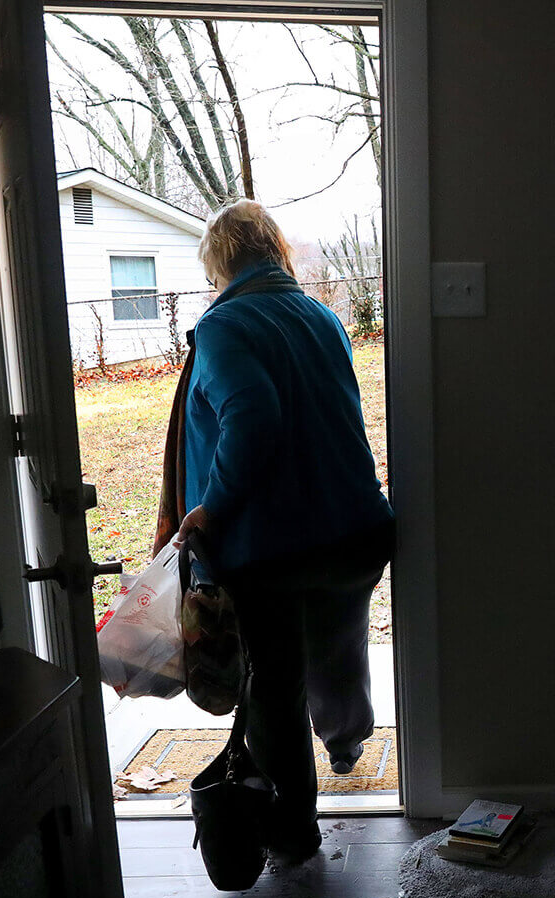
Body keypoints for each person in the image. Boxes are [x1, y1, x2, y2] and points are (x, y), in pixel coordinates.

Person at [169, 198, 393, 864]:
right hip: (357, 530)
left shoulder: (223, 326)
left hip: (273, 546)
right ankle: (346, 741)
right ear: (274, 249)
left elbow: (253, 415)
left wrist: (212, 507)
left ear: (220, 262)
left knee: (274, 686)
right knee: (338, 643)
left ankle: (294, 831)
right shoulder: (322, 316)